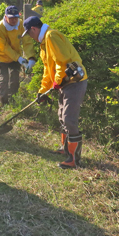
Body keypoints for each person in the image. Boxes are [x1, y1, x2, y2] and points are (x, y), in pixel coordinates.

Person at [22, 16, 88, 169]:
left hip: (74, 82)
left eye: (29, 34)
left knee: (69, 119)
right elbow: (48, 71)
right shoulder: (44, 44)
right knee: (61, 116)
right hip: (65, 83)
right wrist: (42, 91)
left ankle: (74, 159)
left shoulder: (51, 36)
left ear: (34, 29)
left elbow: (62, 61)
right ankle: (65, 149)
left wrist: (57, 82)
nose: (30, 38)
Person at [0, 6, 36, 105]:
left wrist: (31, 58)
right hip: (2, 57)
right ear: (5, 17)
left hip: (16, 56)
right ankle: (2, 102)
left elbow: (27, 41)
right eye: (11, 18)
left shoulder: (21, 24)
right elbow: (4, 47)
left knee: (15, 79)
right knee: (3, 80)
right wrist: (19, 58)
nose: (14, 20)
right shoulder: (0, 28)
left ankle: (13, 100)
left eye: (15, 17)